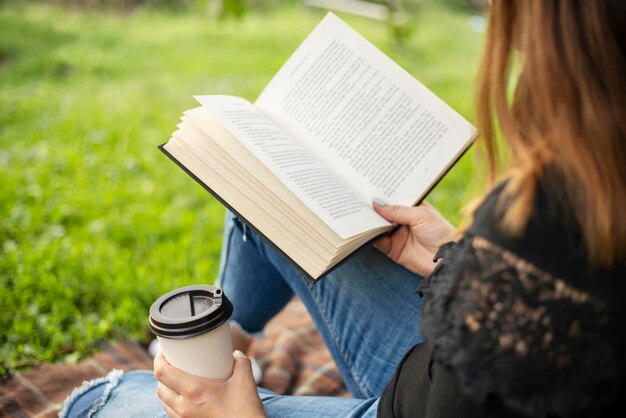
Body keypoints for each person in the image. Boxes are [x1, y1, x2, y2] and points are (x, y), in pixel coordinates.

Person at [61, 0, 626, 416]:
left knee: (100, 400)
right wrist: (456, 260)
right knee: (268, 192)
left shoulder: (551, 212)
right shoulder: (589, 190)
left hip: (416, 399)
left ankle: (209, 366)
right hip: (451, 363)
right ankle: (227, 337)